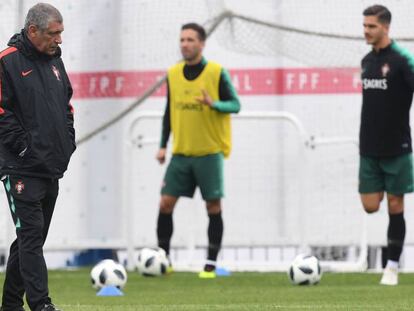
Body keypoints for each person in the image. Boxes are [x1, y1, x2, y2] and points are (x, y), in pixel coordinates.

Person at [0, 3, 75, 310]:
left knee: (31, 238)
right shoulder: (7, 62)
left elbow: (66, 105)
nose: (59, 40)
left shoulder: (55, 61)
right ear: (33, 31)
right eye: (53, 34)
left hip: (50, 166)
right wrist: (23, 147)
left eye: (60, 33)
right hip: (21, 166)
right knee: (31, 236)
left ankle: (10, 305)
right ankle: (41, 304)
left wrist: (67, 142)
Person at [155, 23, 240, 278]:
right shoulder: (173, 73)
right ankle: (163, 260)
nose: (185, 44)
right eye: (182, 39)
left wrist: (213, 104)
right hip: (181, 154)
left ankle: (211, 263)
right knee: (165, 203)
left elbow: (235, 104)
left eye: (190, 39)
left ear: (202, 44)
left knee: (213, 206)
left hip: (209, 152)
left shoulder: (216, 72)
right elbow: (169, 112)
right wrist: (162, 145)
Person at [359, 5, 414, 286]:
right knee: (370, 206)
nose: (366, 31)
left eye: (371, 26)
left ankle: (391, 267)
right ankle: (389, 263)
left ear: (386, 28)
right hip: (369, 148)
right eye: (365, 25)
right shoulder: (366, 61)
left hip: (398, 146)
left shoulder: (403, 60)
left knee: (395, 205)